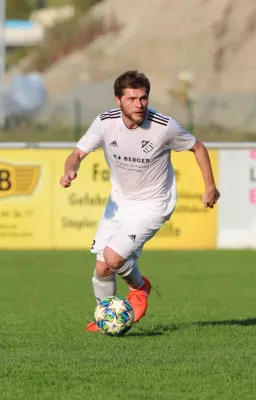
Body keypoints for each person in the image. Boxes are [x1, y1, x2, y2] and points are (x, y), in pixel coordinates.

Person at [59, 70, 220, 332]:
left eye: (143, 98)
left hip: (154, 203)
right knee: (101, 269)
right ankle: (107, 321)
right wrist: (70, 170)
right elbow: (77, 153)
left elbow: (198, 147)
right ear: (118, 100)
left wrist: (210, 187)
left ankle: (139, 287)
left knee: (112, 257)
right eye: (132, 98)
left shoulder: (163, 126)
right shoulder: (105, 123)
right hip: (119, 203)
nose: (139, 104)